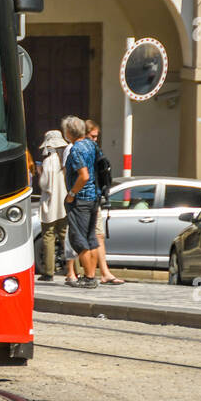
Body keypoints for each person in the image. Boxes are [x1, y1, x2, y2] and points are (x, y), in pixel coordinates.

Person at [62, 115, 100, 289]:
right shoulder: (91, 144)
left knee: (79, 239)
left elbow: (83, 175)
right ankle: (91, 276)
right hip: (94, 197)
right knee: (91, 238)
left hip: (81, 199)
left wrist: (71, 193)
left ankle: (89, 277)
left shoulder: (76, 149)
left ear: (69, 132)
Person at [85, 119, 124, 285]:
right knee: (82, 238)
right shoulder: (81, 150)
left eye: (96, 136)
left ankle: (103, 272)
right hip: (84, 199)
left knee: (98, 235)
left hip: (94, 198)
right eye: (92, 136)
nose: (95, 139)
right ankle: (83, 273)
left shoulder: (94, 150)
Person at [35, 129, 75, 283]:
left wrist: (40, 173)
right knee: (66, 236)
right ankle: (74, 269)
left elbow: (45, 184)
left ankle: (48, 271)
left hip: (50, 205)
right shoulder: (65, 159)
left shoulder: (49, 160)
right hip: (64, 204)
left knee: (48, 236)